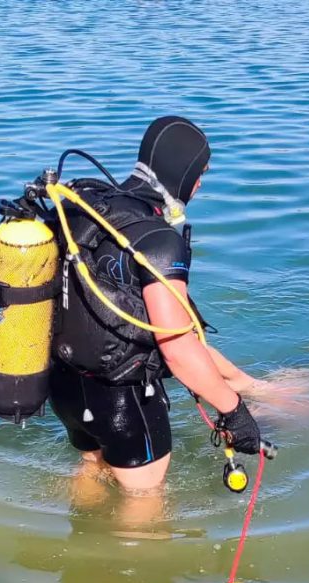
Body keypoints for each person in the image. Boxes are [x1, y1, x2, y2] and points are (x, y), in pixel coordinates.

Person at [47, 116, 262, 498]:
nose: (198, 184)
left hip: (66, 388)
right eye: (199, 174)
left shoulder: (87, 211)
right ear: (181, 171)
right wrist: (235, 412)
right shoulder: (159, 242)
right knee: (143, 507)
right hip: (124, 403)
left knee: (93, 467)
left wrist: (242, 383)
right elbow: (177, 346)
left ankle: (78, 546)